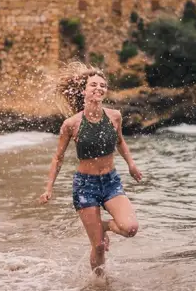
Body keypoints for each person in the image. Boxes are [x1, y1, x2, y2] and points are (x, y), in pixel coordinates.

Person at [39, 62, 142, 275]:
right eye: (93, 84)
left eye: (103, 85)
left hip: (111, 182)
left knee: (130, 228)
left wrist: (131, 164)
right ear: (84, 90)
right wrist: (49, 188)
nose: (99, 88)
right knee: (99, 246)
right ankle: (99, 286)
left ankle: (102, 226)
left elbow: (120, 142)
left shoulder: (114, 116)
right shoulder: (71, 124)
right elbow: (57, 158)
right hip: (85, 186)